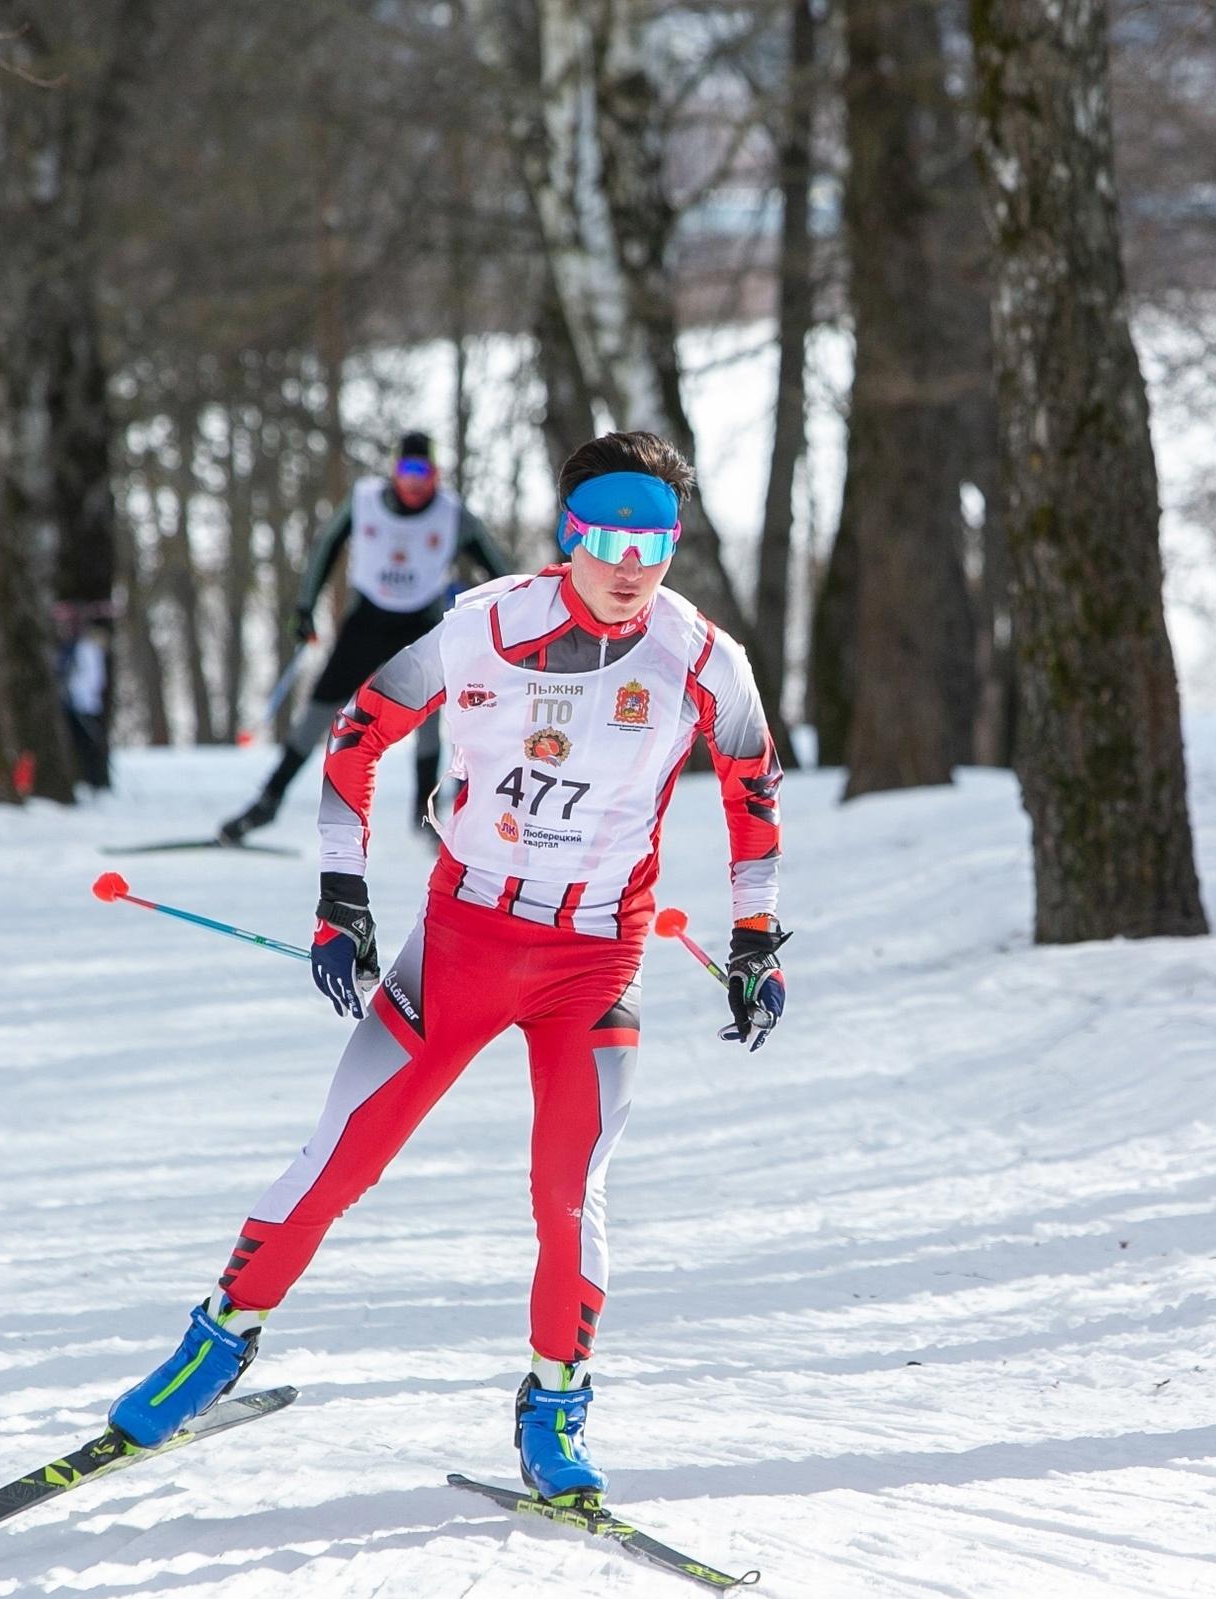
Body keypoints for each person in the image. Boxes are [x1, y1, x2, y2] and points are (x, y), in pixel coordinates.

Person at [111, 431, 787, 1507]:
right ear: (569, 536)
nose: (628, 566)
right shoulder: (482, 628)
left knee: (570, 1191)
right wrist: (341, 896)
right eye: (606, 538)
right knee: (342, 1156)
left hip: (596, 960)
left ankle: (555, 1405)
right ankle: (217, 1345)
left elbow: (753, 787)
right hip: (463, 941)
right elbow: (356, 736)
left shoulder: (702, 657)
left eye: (653, 542)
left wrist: (757, 939)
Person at [220, 430, 516, 844]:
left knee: (429, 718)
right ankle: (268, 800)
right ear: (394, 472)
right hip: (368, 619)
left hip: (422, 620)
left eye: (423, 471)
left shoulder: (453, 514)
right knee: (322, 708)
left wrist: (515, 620)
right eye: (406, 470)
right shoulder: (364, 501)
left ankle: (424, 814)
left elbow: (501, 569)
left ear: (436, 474)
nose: (414, 481)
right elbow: (326, 546)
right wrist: (305, 607)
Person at [60, 615, 113, 792]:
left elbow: (95, 680)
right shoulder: (84, 650)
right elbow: (88, 680)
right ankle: (91, 780)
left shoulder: (89, 651)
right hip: (80, 704)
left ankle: (95, 781)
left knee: (90, 745)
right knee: (84, 744)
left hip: (86, 705)